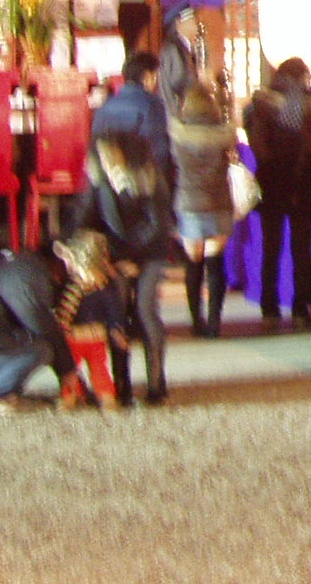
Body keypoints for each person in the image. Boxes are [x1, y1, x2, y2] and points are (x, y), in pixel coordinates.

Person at [0, 236, 107, 417]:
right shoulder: (27, 275)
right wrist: (67, 370)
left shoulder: (25, 268)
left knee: (34, 344)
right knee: (41, 349)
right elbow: (40, 324)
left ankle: (1, 392)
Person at [70, 130, 176, 404]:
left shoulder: (148, 179)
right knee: (115, 313)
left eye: (112, 154)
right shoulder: (99, 180)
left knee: (145, 310)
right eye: (103, 155)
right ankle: (122, 387)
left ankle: (156, 385)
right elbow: (85, 217)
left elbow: (157, 226)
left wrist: (134, 258)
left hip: (149, 254)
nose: (108, 161)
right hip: (116, 257)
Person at [242, 57, 311, 328]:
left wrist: (274, 164)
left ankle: (269, 307)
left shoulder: (260, 105)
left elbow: (257, 144)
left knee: (271, 246)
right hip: (303, 179)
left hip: (272, 180)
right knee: (302, 248)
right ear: (302, 76)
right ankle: (301, 308)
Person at [169, 83, 236, 338]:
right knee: (215, 263)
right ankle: (215, 321)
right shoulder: (225, 135)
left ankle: (196, 319)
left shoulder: (179, 136)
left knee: (193, 264)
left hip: (190, 203)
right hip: (219, 201)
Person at [91, 52, 174, 189]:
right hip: (141, 185)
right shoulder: (152, 105)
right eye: (156, 76)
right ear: (148, 77)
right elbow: (160, 151)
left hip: (107, 185)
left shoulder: (104, 108)